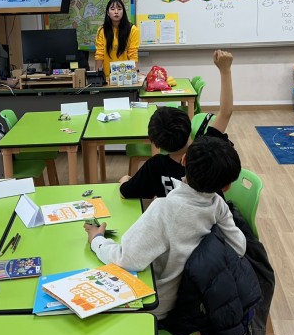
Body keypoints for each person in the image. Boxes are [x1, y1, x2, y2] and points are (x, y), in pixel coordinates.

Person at [84, 135, 246, 319]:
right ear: (226, 187)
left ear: (183, 160)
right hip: (197, 301)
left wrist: (97, 240)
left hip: (158, 304)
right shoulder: (218, 205)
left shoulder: (164, 209)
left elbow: (126, 259)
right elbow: (238, 247)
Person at [119, 49, 234, 200]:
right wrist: (225, 70)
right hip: (212, 214)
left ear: (156, 143)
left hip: (176, 216)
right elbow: (225, 113)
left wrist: (125, 180)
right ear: (189, 127)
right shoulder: (205, 152)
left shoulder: (155, 166)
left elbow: (126, 192)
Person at [95, 0, 140, 79]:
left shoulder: (132, 29)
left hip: (127, 77)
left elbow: (133, 54)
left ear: (123, 12)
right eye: (112, 9)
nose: (116, 12)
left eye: (119, 9)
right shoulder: (102, 30)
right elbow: (99, 54)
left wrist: (135, 75)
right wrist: (96, 76)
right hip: (108, 77)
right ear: (108, 13)